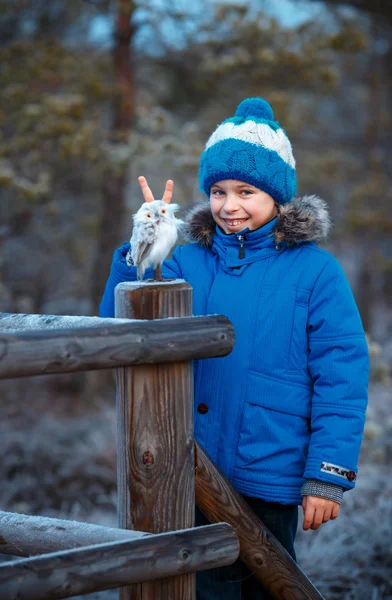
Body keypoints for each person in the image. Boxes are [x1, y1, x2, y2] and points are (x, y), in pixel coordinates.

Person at [99, 97, 369, 599]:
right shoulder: (185, 262)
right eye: (218, 191)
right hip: (185, 466)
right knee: (191, 589)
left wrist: (327, 476)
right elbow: (118, 321)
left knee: (269, 586)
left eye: (246, 191)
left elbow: (343, 376)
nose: (229, 206)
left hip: (270, 468)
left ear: (277, 196)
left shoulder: (316, 272)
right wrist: (141, 241)